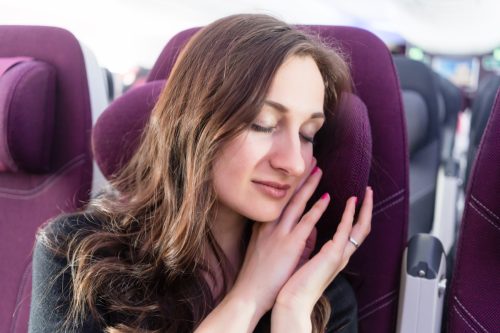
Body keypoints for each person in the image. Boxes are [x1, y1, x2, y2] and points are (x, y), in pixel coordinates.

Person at [29, 14, 373, 333]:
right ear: (194, 124)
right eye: (263, 124)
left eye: (307, 134)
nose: (294, 163)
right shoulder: (79, 254)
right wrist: (249, 298)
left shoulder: (321, 297)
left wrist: (292, 312)